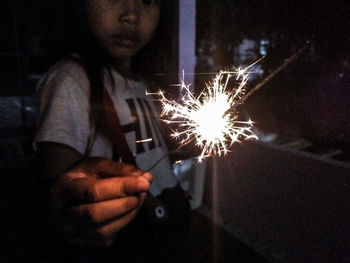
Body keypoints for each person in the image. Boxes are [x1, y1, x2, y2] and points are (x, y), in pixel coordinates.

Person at [34, 0, 190, 262]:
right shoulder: (71, 80)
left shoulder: (144, 82)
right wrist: (69, 213)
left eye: (148, 0)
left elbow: (150, 153)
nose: (131, 15)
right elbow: (59, 194)